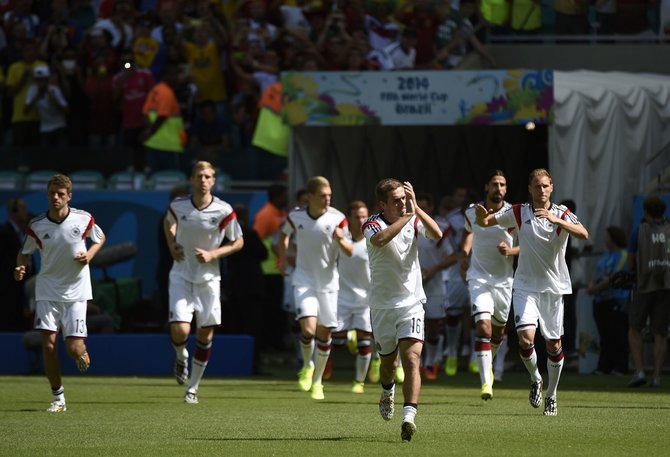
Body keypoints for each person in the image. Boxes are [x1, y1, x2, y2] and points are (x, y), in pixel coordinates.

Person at [475, 168, 589, 416]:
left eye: (545, 186)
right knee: (526, 339)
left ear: (552, 187)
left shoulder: (562, 213)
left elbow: (584, 233)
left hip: (553, 288)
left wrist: (557, 221)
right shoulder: (518, 211)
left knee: (554, 344)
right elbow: (487, 222)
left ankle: (552, 394)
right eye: (537, 186)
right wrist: (482, 216)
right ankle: (536, 378)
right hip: (525, 285)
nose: (541, 190)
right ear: (530, 189)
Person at [14, 174, 106, 413]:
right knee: (49, 345)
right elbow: (24, 252)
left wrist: (90, 255)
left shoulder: (83, 219)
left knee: (73, 349)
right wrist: (21, 265)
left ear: (69, 196)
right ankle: (58, 399)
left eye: (60, 194)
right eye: (52, 193)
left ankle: (81, 352)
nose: (55, 197)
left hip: (76, 291)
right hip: (47, 290)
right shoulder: (37, 225)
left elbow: (100, 237)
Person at [363, 178, 443, 442]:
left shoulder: (412, 217)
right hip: (383, 306)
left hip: (411, 303)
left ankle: (409, 416)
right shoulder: (372, 223)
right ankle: (387, 391)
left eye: (403, 197)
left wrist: (416, 209)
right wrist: (407, 216)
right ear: (382, 204)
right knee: (388, 363)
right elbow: (380, 240)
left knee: (411, 360)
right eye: (396, 200)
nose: (401, 203)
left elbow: (437, 234)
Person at [164, 161, 244, 404]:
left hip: (209, 278)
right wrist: (172, 245)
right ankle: (180, 355)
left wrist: (213, 254)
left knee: (205, 334)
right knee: (180, 329)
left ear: (214, 181)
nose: (203, 180)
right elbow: (168, 223)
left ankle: (193, 389)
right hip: (181, 274)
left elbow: (238, 242)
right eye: (199, 176)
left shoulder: (223, 210)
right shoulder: (178, 206)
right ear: (191, 179)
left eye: (208, 176)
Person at [277, 176, 353, 401]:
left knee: (324, 333)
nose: (327, 199)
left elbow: (349, 250)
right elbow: (283, 237)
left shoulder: (338, 218)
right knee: (308, 330)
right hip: (304, 280)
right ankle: (307, 366)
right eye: (323, 195)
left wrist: (340, 240)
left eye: (329, 195)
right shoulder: (296, 216)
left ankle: (318, 382)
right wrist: (282, 259)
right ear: (310, 197)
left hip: (329, 284)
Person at [461, 170, 518, 400]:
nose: (499, 188)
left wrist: (511, 250)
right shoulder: (472, 212)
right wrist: (464, 254)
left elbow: (528, 246)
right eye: (495, 184)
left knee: (498, 332)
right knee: (483, 328)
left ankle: (489, 364)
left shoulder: (514, 214)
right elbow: (468, 233)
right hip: (479, 278)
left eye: (503, 184)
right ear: (487, 187)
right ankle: (486, 384)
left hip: (504, 281)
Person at [627, 196, 670, 389]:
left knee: (635, 329)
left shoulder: (639, 230)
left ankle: (640, 371)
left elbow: (631, 261)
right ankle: (657, 377)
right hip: (666, 286)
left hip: (644, 285)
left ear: (645, 211)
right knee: (660, 333)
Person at [332, 200, 373, 393]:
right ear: (349, 218)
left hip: (366, 299)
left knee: (365, 340)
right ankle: (320, 373)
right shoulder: (341, 237)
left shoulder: (374, 239)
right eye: (357, 217)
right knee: (334, 339)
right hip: (342, 298)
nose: (360, 220)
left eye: (364, 216)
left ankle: (359, 382)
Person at [415, 192, 456, 381]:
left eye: (424, 206)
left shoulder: (439, 228)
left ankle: (432, 361)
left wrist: (433, 270)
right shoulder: (405, 226)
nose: (421, 210)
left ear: (431, 208)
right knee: (413, 326)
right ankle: (418, 364)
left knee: (432, 326)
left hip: (434, 284)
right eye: (418, 206)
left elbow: (452, 256)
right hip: (412, 284)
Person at [586, 226, 630, 376]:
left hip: (616, 300)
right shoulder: (605, 255)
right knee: (604, 336)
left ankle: (620, 366)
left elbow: (614, 277)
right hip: (600, 301)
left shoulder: (622, 255)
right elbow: (597, 273)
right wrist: (592, 285)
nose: (605, 239)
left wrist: (595, 288)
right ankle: (604, 366)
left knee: (617, 335)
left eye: (607, 236)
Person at [0, 198, 32, 331]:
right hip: (8, 292)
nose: (26, 213)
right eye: (23, 209)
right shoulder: (3, 233)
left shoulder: (24, 234)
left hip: (23, 290)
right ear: (13, 212)